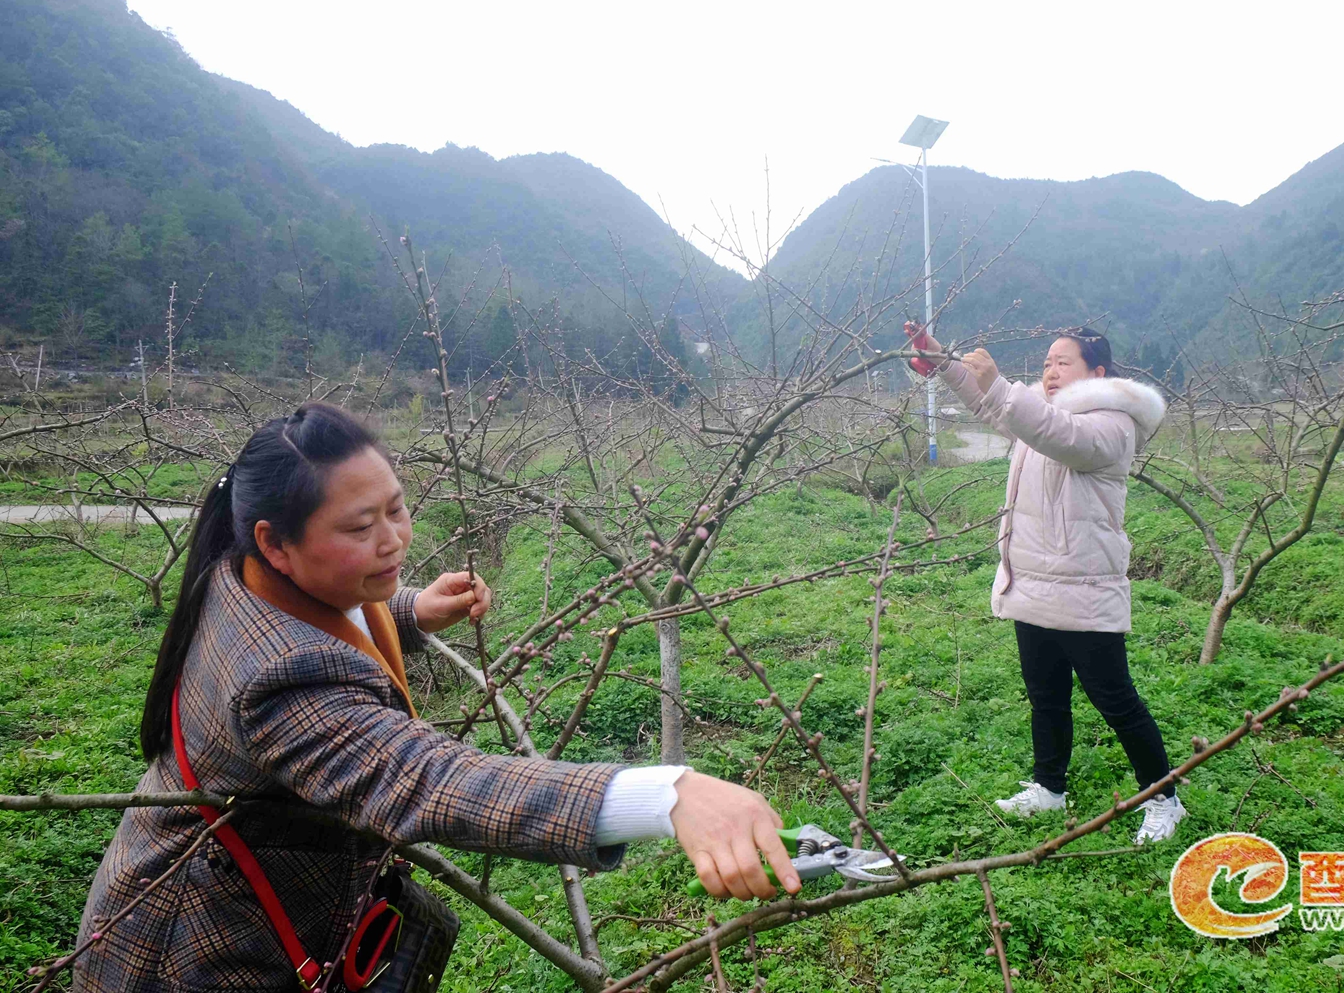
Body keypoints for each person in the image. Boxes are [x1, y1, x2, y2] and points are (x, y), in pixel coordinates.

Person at [75, 402, 800, 991]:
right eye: (362, 527)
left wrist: (412, 612)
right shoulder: (279, 679)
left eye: (396, 508)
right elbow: (427, 778)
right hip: (198, 953)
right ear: (276, 543)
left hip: (237, 895)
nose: (394, 539)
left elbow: (332, 619)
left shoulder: (246, 577)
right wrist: (666, 795)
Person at [905, 324, 1187, 845]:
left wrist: (1003, 388)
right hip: (1033, 580)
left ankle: (1165, 797)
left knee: (1115, 699)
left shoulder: (1113, 424)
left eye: (1065, 363)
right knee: (1046, 696)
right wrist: (944, 363)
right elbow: (997, 407)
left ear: (1097, 373)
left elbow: (1060, 437)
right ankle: (1049, 787)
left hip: (1083, 587)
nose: (1051, 371)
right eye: (1048, 363)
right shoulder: (1037, 413)